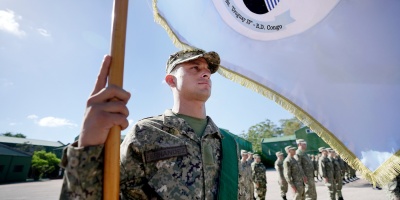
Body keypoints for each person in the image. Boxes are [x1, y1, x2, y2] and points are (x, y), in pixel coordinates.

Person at [59, 48, 241, 199]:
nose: (206, 73)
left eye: (208, 70)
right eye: (194, 67)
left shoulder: (229, 143)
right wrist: (88, 147)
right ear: (171, 80)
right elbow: (107, 194)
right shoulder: (145, 133)